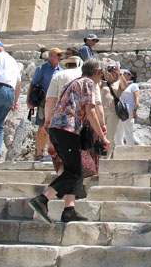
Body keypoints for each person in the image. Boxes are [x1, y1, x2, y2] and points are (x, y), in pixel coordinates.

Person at [29, 58, 110, 224]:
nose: (100, 80)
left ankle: (69, 210)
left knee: (76, 169)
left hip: (58, 129)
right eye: (101, 76)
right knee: (74, 172)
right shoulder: (88, 83)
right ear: (96, 73)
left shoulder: (73, 83)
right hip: (67, 129)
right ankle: (43, 199)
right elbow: (90, 110)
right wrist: (102, 136)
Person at [28, 48, 63, 161]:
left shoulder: (60, 70)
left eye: (60, 55)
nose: (60, 57)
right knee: (42, 126)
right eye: (58, 55)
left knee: (52, 127)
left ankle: (50, 151)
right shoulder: (42, 69)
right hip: (44, 101)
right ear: (51, 55)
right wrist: (29, 101)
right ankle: (39, 152)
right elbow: (32, 85)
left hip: (56, 102)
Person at [99, 59, 128, 157]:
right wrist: (103, 71)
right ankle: (98, 155)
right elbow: (95, 82)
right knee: (99, 135)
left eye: (113, 71)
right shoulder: (102, 83)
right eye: (110, 71)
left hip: (113, 111)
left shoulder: (118, 83)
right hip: (101, 110)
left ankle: (106, 156)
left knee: (110, 135)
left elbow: (125, 86)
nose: (111, 73)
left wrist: (119, 73)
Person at [116, 69, 139, 146]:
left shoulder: (134, 86)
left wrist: (135, 111)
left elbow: (136, 100)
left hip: (128, 111)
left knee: (128, 131)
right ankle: (119, 149)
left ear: (130, 75)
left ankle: (130, 150)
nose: (124, 73)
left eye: (126, 73)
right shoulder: (122, 84)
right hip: (120, 110)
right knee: (118, 132)